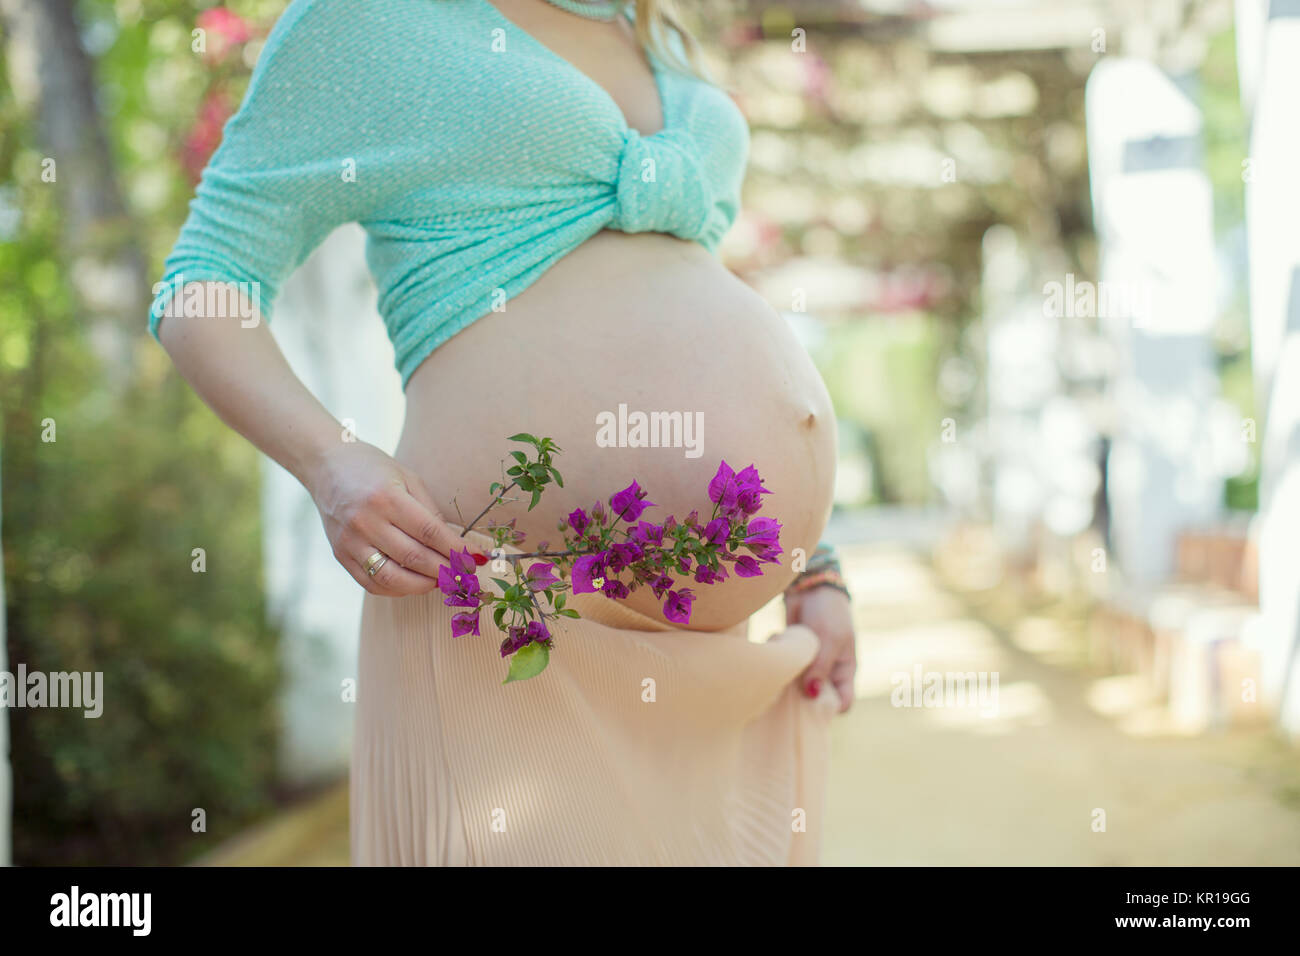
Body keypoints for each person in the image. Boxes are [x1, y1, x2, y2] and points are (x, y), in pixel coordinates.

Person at [150, 0, 855, 865]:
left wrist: (814, 558)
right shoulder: (363, 21)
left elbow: (679, 280)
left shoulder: (652, 23)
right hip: (501, 609)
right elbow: (203, 285)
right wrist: (329, 460)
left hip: (698, 655)